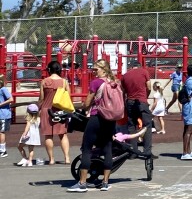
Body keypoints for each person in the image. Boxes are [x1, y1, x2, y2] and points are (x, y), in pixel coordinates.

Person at [67, 59, 119, 191]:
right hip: (111, 119)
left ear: (103, 69)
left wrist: (82, 107)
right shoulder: (115, 82)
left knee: (87, 148)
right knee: (107, 148)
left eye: (96, 69)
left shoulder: (96, 82)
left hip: (97, 117)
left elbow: (87, 103)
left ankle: (82, 183)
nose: (94, 71)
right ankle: (105, 182)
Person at [40, 60, 71, 165]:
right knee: (63, 134)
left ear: (49, 69)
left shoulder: (44, 81)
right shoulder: (64, 82)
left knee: (48, 136)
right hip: (60, 110)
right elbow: (68, 96)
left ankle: (51, 159)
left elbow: (41, 98)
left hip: (46, 109)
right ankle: (67, 158)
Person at [122, 60, 154, 158]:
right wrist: (145, 97)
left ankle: (133, 151)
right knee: (147, 126)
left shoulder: (125, 75)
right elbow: (149, 87)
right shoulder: (144, 72)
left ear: (131, 67)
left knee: (132, 126)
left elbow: (123, 91)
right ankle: (147, 151)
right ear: (139, 66)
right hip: (141, 101)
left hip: (130, 102)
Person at [0, 74, 11, 158]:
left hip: (3, 114)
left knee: (1, 132)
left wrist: (1, 104)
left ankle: (3, 150)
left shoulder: (3, 89)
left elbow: (11, 99)